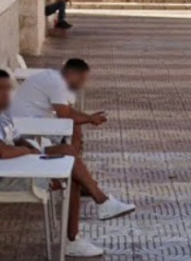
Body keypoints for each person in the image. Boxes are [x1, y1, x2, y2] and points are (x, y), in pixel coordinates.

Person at [0, 69, 108, 257]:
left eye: (7, 89)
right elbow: (1, 152)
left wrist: (32, 149)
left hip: (20, 166)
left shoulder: (0, 113)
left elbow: (17, 139)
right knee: (73, 180)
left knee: (67, 152)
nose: (5, 93)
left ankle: (101, 201)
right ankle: (75, 236)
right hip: (5, 179)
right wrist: (28, 151)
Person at [9, 59, 136, 223]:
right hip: (26, 138)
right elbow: (65, 114)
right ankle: (99, 201)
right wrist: (90, 118)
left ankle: (85, 182)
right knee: (71, 160)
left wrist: (87, 118)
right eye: (81, 79)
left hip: (35, 130)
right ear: (72, 74)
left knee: (75, 138)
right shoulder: (56, 83)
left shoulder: (53, 78)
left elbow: (67, 112)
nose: (82, 84)